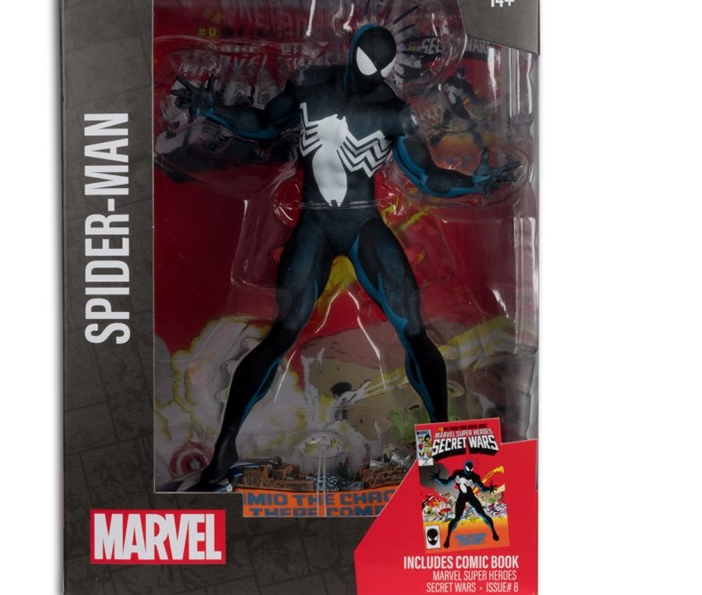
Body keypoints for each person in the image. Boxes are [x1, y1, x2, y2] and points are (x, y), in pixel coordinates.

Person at [171, 25, 518, 488]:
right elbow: (265, 124)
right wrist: (211, 109)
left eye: (378, 68)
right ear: (352, 51)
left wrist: (474, 184)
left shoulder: (393, 112)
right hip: (315, 223)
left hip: (362, 223)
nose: (370, 75)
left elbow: (426, 176)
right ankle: (223, 453)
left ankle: (443, 450)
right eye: (366, 63)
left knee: (414, 331)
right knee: (283, 333)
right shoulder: (310, 85)